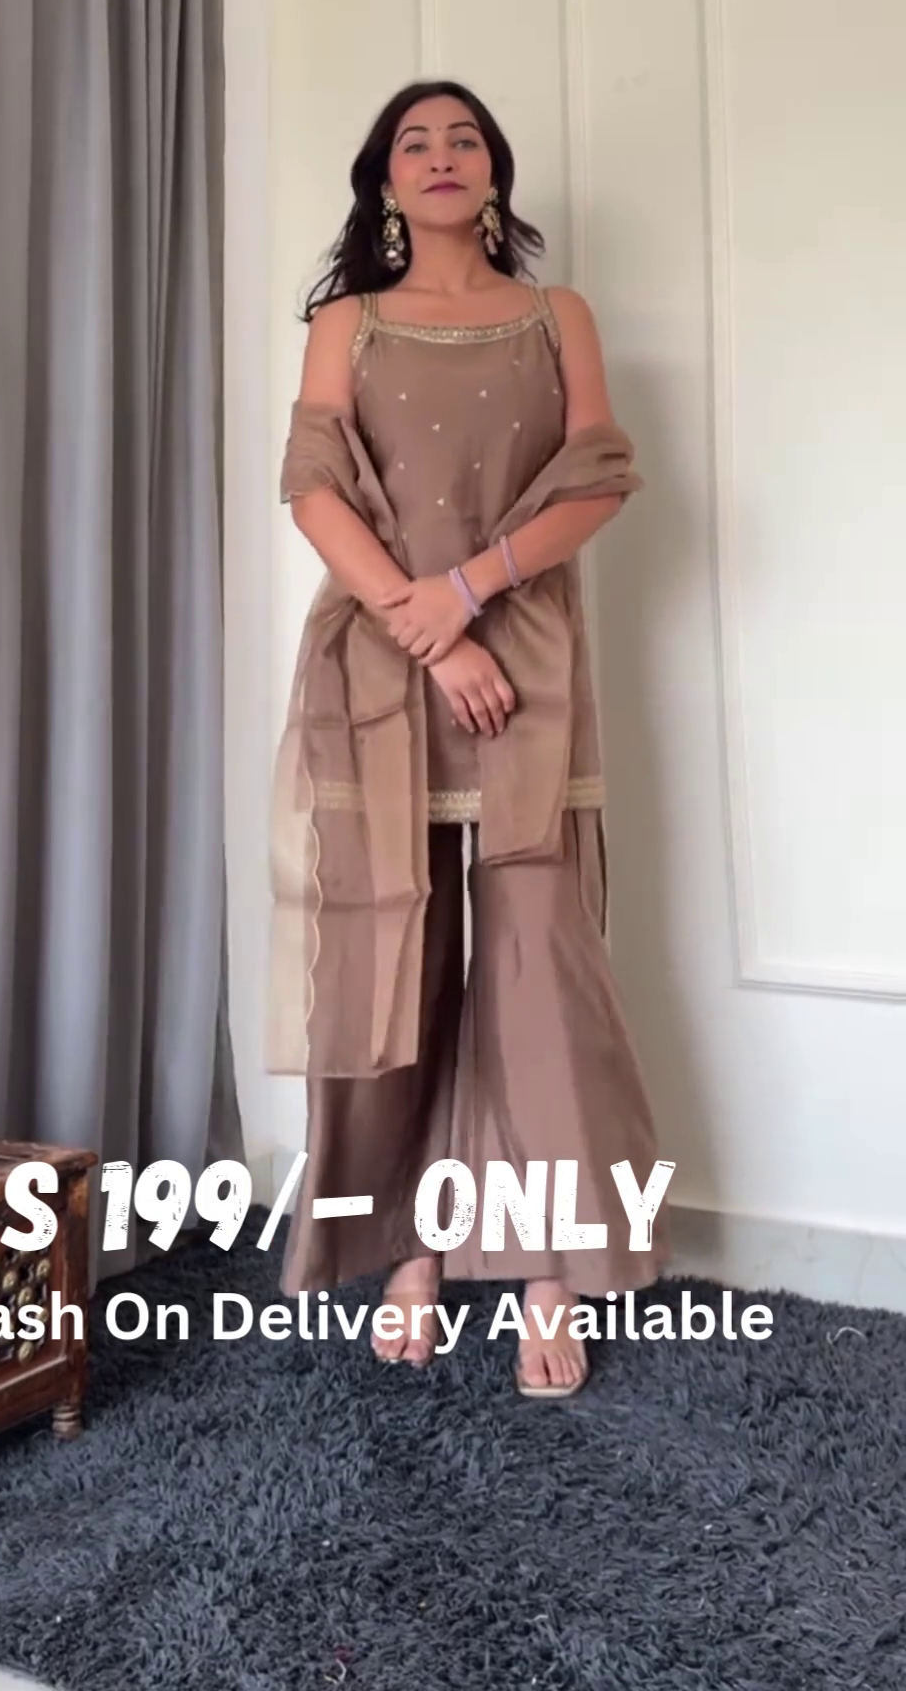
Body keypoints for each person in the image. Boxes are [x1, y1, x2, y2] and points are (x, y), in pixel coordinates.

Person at [268, 78, 669, 1397]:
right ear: (385, 181)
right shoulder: (347, 323)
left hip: (528, 669)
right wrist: (429, 630)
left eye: (463, 140)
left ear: (493, 172)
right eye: (413, 142)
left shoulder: (558, 317)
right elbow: (313, 489)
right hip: (384, 673)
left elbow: (599, 477)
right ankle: (411, 1249)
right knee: (400, 960)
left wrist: (471, 592)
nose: (439, 156)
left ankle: (550, 1265)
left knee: (537, 973)